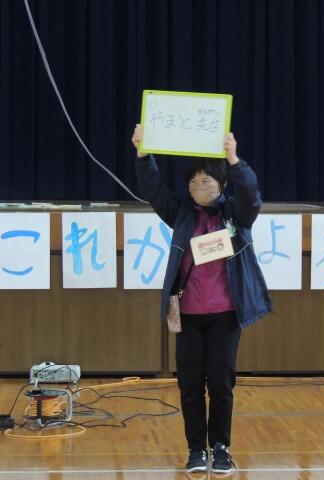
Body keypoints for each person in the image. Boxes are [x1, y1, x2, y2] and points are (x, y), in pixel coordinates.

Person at [131, 124, 271, 474]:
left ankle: (220, 447)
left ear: (222, 185)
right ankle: (196, 449)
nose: (198, 186)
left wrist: (234, 160)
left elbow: (251, 195)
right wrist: (143, 155)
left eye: (206, 181)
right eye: (193, 181)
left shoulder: (236, 215)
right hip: (189, 316)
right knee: (190, 384)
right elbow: (154, 190)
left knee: (221, 383)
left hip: (226, 315)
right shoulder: (181, 213)